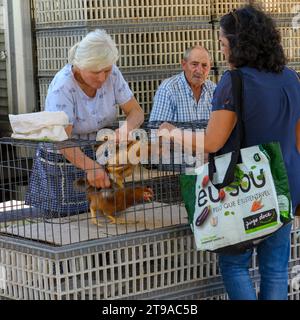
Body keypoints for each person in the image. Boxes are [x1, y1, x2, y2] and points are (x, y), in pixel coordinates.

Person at [159, 5, 300, 300]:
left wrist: (173, 133)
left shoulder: (233, 82)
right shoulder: (291, 79)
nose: (222, 51)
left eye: (223, 44)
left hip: (243, 190)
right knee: (275, 269)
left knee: (235, 265)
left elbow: (212, 142)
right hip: (284, 185)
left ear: (239, 44)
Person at [25, 29, 144, 216]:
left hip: (97, 153)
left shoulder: (112, 74)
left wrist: (125, 130)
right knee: (66, 226)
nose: (102, 78)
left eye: (106, 70)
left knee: (104, 216)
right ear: (80, 66)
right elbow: (62, 140)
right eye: (95, 72)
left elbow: (136, 112)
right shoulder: (63, 87)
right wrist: (91, 167)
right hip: (64, 159)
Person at [149, 45, 216, 123]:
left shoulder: (214, 89)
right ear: (184, 64)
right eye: (194, 64)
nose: (199, 70)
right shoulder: (168, 89)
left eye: (204, 65)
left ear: (210, 67)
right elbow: (158, 130)